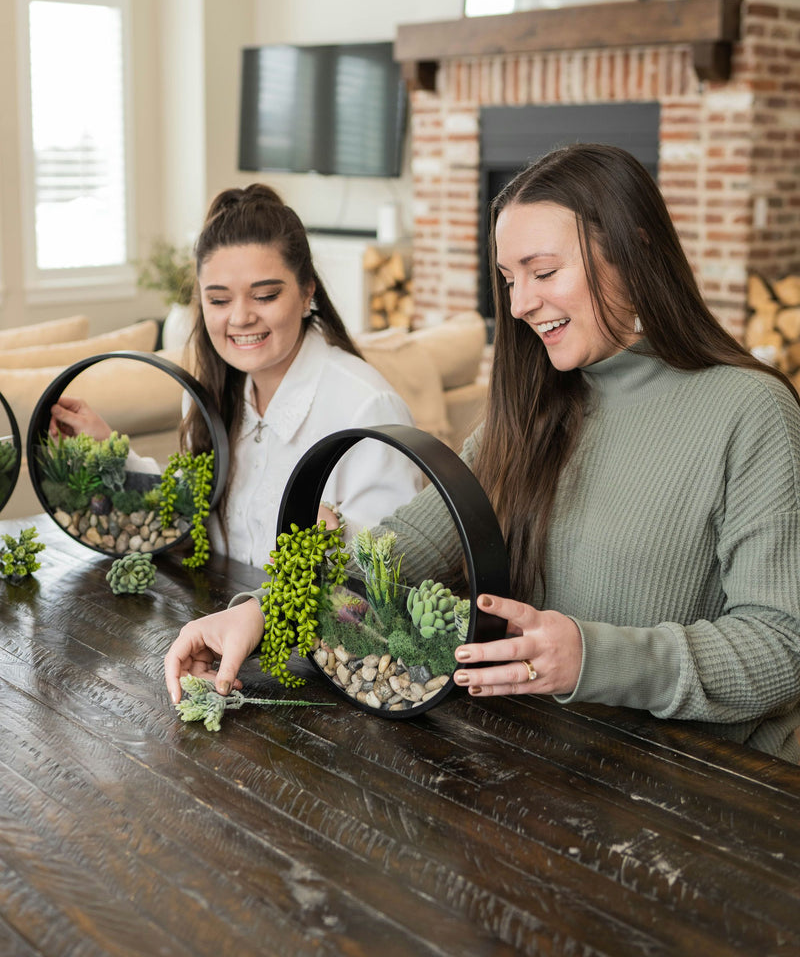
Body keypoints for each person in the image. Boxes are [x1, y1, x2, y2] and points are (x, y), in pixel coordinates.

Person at [165, 147, 800, 764]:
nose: (519, 305)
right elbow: (412, 542)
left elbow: (783, 646)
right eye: (509, 279)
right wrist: (265, 611)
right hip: (538, 759)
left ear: (633, 253)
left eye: (543, 273)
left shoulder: (750, 411)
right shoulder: (529, 407)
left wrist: (593, 657)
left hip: (704, 783)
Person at [51, 183, 423, 567]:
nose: (241, 317)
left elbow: (393, 569)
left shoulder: (368, 408)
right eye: (219, 300)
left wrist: (335, 539)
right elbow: (187, 510)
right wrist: (110, 451)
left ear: (307, 293)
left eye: (265, 296)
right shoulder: (206, 394)